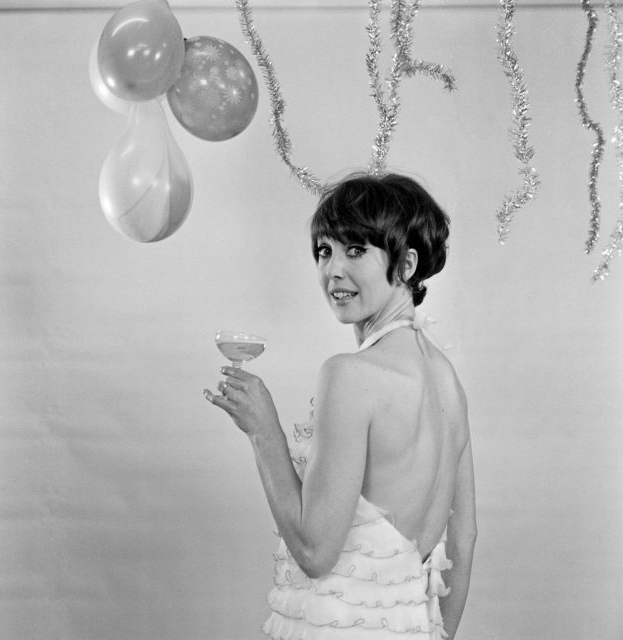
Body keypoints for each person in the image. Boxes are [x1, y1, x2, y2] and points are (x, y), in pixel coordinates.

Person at [204, 172, 477, 639]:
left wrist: (263, 430)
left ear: (406, 264)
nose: (333, 270)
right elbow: (464, 538)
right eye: (324, 251)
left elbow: (314, 552)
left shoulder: (349, 375)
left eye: (355, 251)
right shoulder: (447, 382)